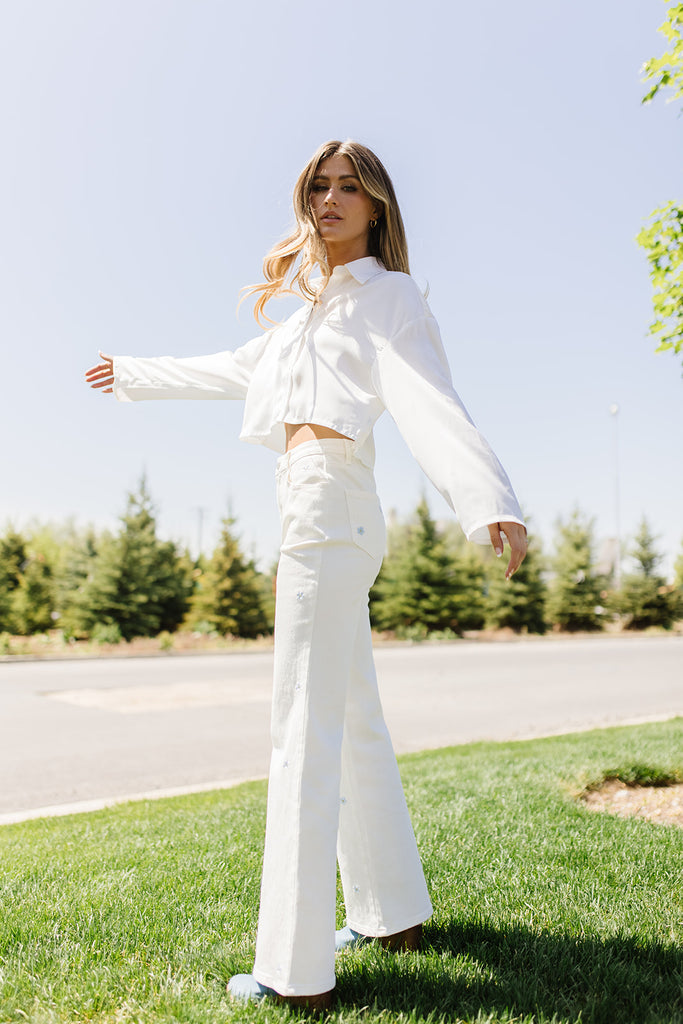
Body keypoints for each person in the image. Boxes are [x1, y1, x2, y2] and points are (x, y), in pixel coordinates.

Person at [86, 139, 527, 1011]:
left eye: (348, 187)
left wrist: (488, 502)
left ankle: (292, 976)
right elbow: (226, 368)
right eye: (318, 187)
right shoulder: (305, 320)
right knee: (351, 721)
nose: (329, 199)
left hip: (331, 509)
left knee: (301, 729)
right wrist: (131, 373)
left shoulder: (388, 297)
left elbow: (431, 399)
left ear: (376, 206)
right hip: (312, 509)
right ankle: (392, 915)